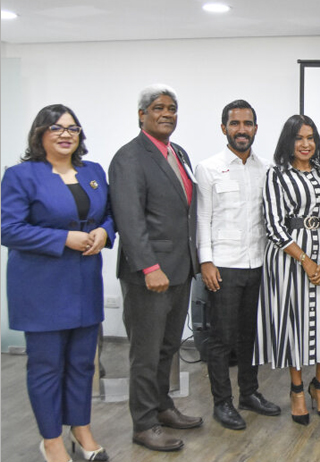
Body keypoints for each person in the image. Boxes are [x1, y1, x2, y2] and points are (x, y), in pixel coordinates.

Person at [1, 104, 115, 462]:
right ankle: (51, 440)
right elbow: (8, 229)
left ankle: (81, 430)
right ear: (40, 134)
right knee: (47, 366)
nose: (66, 134)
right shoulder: (21, 175)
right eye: (57, 127)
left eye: (73, 128)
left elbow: (111, 215)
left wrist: (103, 231)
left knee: (83, 363)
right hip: (41, 287)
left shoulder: (92, 171)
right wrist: (63, 239)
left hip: (84, 283)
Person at [109, 84, 202, 452]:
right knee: (146, 353)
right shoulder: (129, 158)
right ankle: (144, 423)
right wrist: (149, 267)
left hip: (180, 269)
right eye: (158, 107)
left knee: (168, 347)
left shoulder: (178, 152)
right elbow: (130, 220)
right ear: (141, 114)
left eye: (173, 108)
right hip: (150, 274)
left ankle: (163, 407)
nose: (167, 114)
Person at [254, 114, 320, 425]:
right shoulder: (276, 175)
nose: (305, 144)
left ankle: (318, 386)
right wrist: (306, 260)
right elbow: (274, 227)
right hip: (289, 257)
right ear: (288, 142)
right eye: (299, 138)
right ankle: (296, 390)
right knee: (295, 324)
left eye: (310, 138)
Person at [195, 100, 281, 431]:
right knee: (222, 339)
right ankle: (222, 402)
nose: (241, 129)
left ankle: (249, 393)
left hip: (258, 264)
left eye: (247, 123)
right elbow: (203, 217)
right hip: (224, 267)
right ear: (224, 128)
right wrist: (206, 261)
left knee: (249, 337)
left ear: (256, 129)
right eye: (235, 124)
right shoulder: (209, 167)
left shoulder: (266, 168)